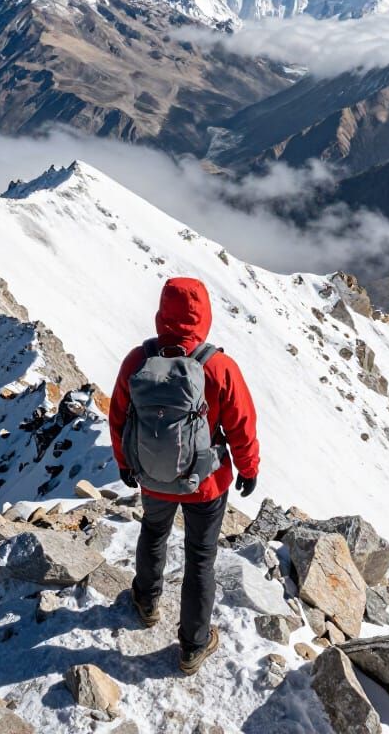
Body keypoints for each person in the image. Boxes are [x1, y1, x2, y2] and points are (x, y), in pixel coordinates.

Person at [109, 277, 260, 674]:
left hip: (153, 477)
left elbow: (119, 416)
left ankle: (145, 602)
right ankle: (193, 645)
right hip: (205, 483)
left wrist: (126, 463)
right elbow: (242, 424)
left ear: (161, 313)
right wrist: (248, 468)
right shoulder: (219, 366)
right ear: (204, 316)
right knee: (200, 558)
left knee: (153, 533)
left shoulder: (138, 361)